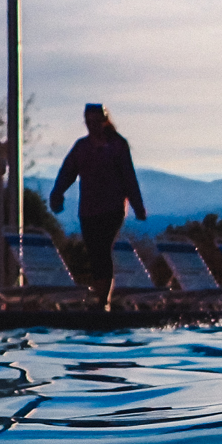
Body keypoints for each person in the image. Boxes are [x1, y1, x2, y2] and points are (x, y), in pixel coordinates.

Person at [50, 103, 147, 308]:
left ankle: (103, 300)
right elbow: (68, 171)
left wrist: (138, 206)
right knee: (94, 252)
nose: (92, 126)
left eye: (96, 122)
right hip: (88, 209)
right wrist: (57, 193)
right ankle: (101, 297)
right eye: (88, 122)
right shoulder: (82, 147)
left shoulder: (118, 145)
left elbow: (129, 176)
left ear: (104, 121)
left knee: (102, 249)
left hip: (112, 208)